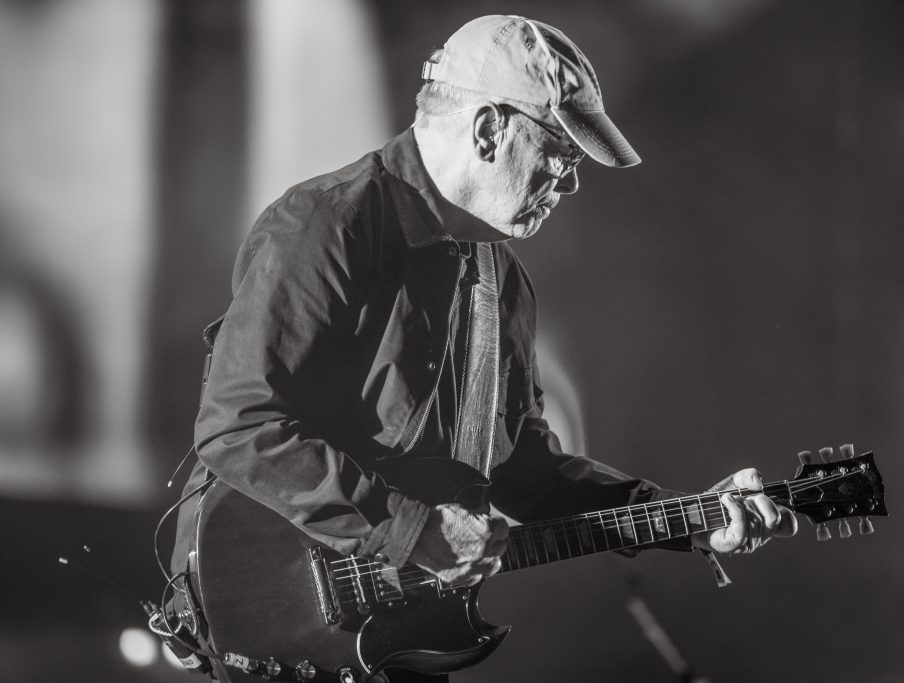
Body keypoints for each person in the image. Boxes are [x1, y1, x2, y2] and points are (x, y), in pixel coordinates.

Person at [170, 14, 797, 682]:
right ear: (490, 128)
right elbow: (239, 423)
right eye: (560, 151)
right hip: (274, 626)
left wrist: (687, 517)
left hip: (396, 638)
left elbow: (524, 473)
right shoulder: (327, 224)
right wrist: (412, 529)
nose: (572, 180)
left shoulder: (505, 285)